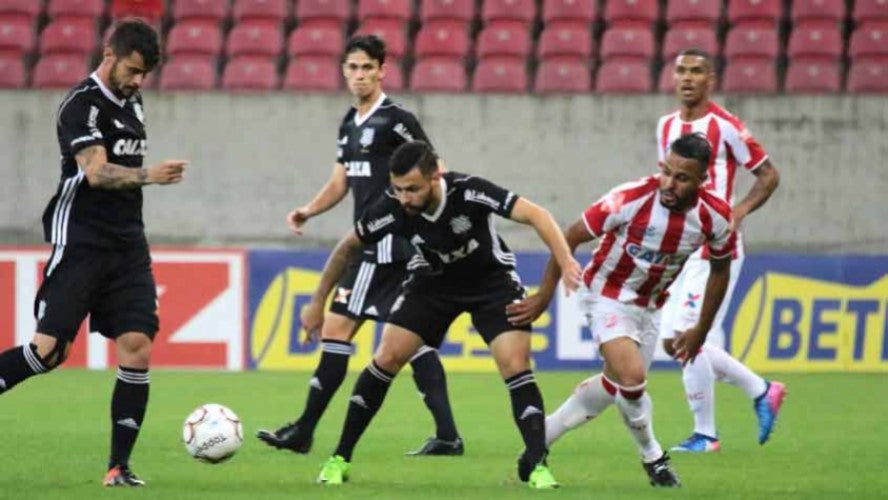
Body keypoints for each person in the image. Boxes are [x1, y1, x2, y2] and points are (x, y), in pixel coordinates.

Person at [311, 141, 582, 489]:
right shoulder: (391, 208)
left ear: (435, 177)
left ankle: (538, 465)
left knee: (515, 363)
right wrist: (319, 301)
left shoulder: (469, 192)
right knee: (387, 357)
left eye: (413, 189)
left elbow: (537, 215)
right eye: (398, 189)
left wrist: (566, 260)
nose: (405, 198)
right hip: (433, 286)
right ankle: (339, 458)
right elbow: (348, 247)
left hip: (491, 284)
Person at [257, 35, 464, 457]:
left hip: (394, 247)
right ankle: (444, 435)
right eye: (352, 67)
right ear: (343, 71)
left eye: (367, 67)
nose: (359, 75)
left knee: (370, 334)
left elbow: (436, 168)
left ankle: (306, 431)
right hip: (369, 247)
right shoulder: (349, 123)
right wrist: (308, 211)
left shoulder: (396, 118)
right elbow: (340, 181)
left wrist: (438, 220)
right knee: (389, 338)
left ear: (382, 70)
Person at [0, 20, 186, 487]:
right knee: (48, 352)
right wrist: (150, 176)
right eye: (132, 70)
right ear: (110, 52)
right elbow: (98, 173)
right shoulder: (79, 105)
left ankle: (118, 467)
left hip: (127, 245)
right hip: (81, 242)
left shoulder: (133, 102)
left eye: (144, 74)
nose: (138, 81)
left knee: (137, 345)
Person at [507, 133, 738, 487]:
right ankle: (654, 459)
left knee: (617, 386)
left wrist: (701, 331)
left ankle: (540, 441)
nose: (670, 184)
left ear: (702, 181)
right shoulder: (630, 199)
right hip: (606, 295)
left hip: (651, 307)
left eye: (682, 178)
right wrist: (543, 295)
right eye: (667, 172)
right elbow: (570, 235)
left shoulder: (715, 217)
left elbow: (720, 271)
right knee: (632, 379)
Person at [655, 48, 785, 452]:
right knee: (671, 342)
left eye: (696, 71)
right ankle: (761, 389)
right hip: (679, 249)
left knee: (686, 337)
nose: (687, 78)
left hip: (715, 247)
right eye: (681, 71)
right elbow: (668, 185)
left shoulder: (726, 126)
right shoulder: (665, 126)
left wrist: (738, 211)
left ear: (711, 79)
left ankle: (706, 435)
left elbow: (768, 175)